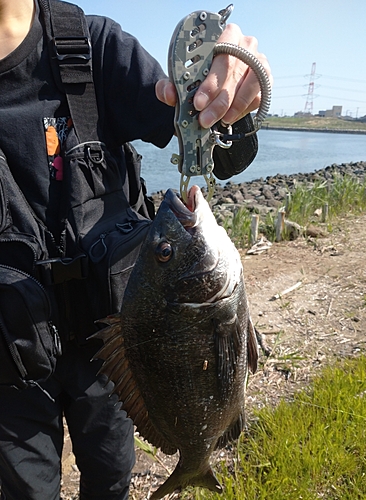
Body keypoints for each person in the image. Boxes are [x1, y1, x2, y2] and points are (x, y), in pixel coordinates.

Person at [0, 0, 272, 499]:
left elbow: (220, 149)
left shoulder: (87, 47)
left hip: (114, 343)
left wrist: (233, 92)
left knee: (111, 480)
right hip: (8, 356)